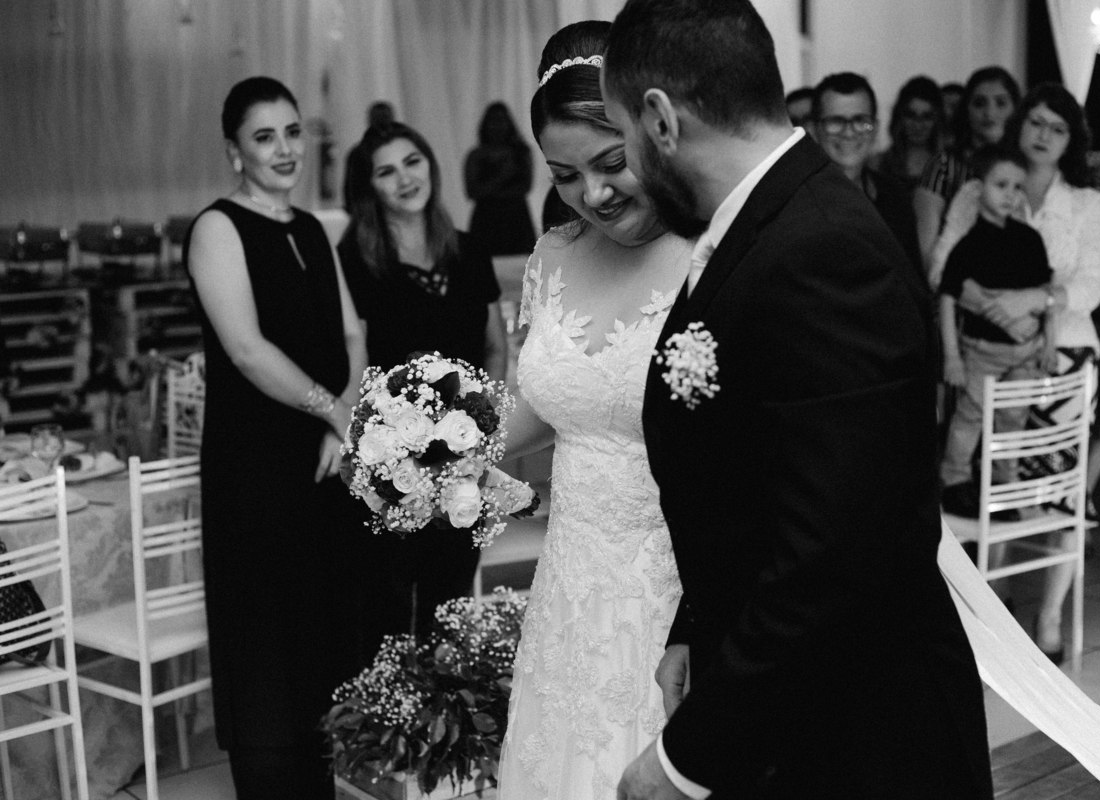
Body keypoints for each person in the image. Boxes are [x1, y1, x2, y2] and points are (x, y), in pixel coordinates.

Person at [602, 2, 992, 797]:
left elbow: (837, 554)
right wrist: (695, 627)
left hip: (863, 737)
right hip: (797, 707)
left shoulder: (823, 249)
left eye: (623, 137)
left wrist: (685, 761)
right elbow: (757, 478)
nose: (630, 169)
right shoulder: (762, 222)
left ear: (662, 120)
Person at [494, 20, 694, 798]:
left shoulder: (713, 254)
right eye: (565, 175)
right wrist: (445, 449)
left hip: (674, 587)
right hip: (570, 584)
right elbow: (548, 402)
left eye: (611, 163)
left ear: (654, 130)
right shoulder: (552, 256)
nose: (594, 194)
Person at [184, 76, 368, 799]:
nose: (286, 149)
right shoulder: (217, 228)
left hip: (323, 463)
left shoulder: (314, 228)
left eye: (293, 132)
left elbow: (352, 333)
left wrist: (341, 424)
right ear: (235, 151)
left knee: (319, 636)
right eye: (265, 137)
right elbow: (247, 350)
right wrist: (335, 413)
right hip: (253, 467)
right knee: (262, 643)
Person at [932, 82, 1100, 664]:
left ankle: (1050, 614)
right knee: (986, 475)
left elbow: (1092, 284)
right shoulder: (976, 189)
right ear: (1019, 126)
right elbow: (943, 268)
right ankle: (992, 601)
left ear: (1071, 140)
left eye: (1057, 128)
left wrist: (1033, 300)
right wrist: (992, 306)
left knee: (1056, 490)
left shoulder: (1085, 203)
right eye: (1035, 121)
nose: (1043, 134)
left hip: (1061, 359)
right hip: (982, 352)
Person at [337, 121, 507, 647]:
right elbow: (351, 361)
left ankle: (446, 701)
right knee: (388, 604)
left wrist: (482, 427)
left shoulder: (469, 251)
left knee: (450, 603)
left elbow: (495, 348)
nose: (405, 178)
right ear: (369, 187)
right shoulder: (355, 261)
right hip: (391, 465)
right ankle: (391, 698)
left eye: (412, 162)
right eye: (386, 172)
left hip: (462, 460)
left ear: (430, 164)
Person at [939, 145, 1056, 517]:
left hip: (1026, 351)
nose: (1010, 195)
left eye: (1017, 187)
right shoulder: (968, 245)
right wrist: (952, 356)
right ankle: (955, 479)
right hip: (982, 351)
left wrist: (1049, 343)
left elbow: (1045, 293)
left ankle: (1002, 485)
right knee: (970, 417)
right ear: (979, 188)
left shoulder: (1029, 240)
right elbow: (947, 298)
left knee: (1012, 418)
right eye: (1000, 185)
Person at [811, 71, 922, 274]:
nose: (849, 132)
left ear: (875, 128)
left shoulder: (895, 197)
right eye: (836, 122)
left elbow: (913, 282)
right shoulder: (796, 202)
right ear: (814, 130)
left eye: (861, 121)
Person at [915, 66, 1020, 270]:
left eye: (1000, 103)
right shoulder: (945, 165)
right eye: (979, 103)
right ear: (966, 110)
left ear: (1016, 109)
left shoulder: (1024, 165)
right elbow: (926, 252)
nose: (989, 113)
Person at [465, 102, 537, 255]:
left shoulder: (521, 152)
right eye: (493, 121)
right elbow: (472, 192)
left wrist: (491, 190)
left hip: (516, 221)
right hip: (486, 222)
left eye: (501, 120)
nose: (497, 126)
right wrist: (503, 176)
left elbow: (525, 187)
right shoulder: (476, 155)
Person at [875, 75, 944, 192]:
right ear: (900, 117)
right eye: (911, 115)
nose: (918, 125)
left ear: (938, 120)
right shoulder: (877, 164)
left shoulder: (949, 167)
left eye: (927, 117)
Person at [341, 100, 396, 212]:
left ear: (369, 120)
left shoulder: (357, 152)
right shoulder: (401, 151)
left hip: (366, 213)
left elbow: (349, 191)